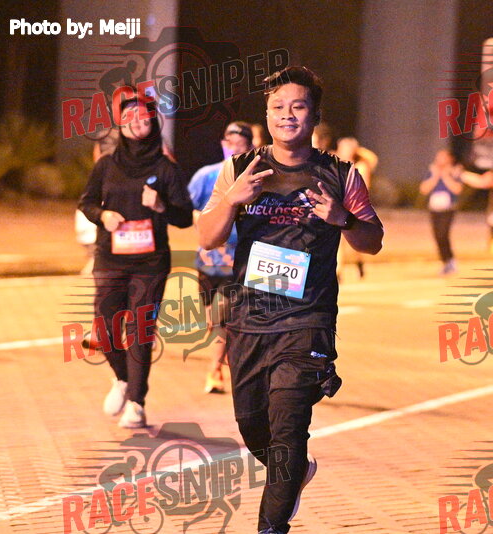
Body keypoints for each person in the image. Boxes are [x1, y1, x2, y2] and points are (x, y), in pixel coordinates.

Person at [197, 66, 383, 534]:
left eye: (298, 106)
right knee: (253, 427)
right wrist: (232, 201)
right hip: (249, 320)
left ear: (314, 115)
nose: (287, 115)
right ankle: (295, 470)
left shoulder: (340, 175)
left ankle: (271, 526)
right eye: (277, 107)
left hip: (306, 322)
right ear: (266, 114)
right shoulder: (241, 169)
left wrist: (342, 219)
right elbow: (207, 237)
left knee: (288, 427)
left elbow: (373, 241)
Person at [78, 96, 193, 428]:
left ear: (152, 125)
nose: (136, 123)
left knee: (140, 331)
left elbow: (185, 217)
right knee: (104, 327)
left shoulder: (165, 168)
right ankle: (122, 379)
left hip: (150, 263)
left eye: (143, 119)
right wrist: (103, 215)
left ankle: (137, 403)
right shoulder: (106, 165)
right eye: (129, 118)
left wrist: (161, 207)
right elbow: (86, 202)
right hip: (110, 258)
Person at [188, 121, 254, 393]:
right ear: (223, 144)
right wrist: (210, 230)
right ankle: (223, 348)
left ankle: (214, 370)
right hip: (208, 260)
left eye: (241, 144)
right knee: (211, 319)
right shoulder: (206, 175)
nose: (234, 149)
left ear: (250, 147)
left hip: (238, 261)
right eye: (230, 143)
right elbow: (190, 210)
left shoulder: (257, 179)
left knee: (221, 316)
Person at [335, 137, 378, 280]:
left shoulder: (360, 166)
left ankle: (359, 263)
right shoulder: (335, 164)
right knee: (337, 239)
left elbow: (373, 160)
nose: (343, 151)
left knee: (354, 240)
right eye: (342, 148)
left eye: (347, 148)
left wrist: (359, 151)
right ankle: (338, 272)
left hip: (355, 207)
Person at [420, 149, 463, 274]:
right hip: (434, 209)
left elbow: (457, 189)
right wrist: (435, 176)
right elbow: (424, 189)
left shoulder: (455, 172)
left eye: (443, 157)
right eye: (438, 157)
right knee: (437, 236)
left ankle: (450, 260)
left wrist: (445, 175)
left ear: (449, 159)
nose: (439, 160)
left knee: (443, 234)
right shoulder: (432, 172)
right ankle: (446, 262)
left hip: (448, 209)